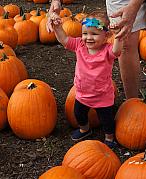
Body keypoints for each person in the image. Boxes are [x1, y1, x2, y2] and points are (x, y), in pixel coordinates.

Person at [49, 11, 121, 148]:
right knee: (78, 114)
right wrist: (57, 28)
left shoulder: (107, 51)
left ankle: (109, 138)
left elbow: (117, 51)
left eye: (94, 34)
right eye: (85, 33)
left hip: (102, 94)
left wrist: (118, 35)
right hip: (82, 92)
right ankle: (85, 129)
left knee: (106, 119)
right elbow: (64, 39)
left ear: (106, 36)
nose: (88, 37)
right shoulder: (79, 45)